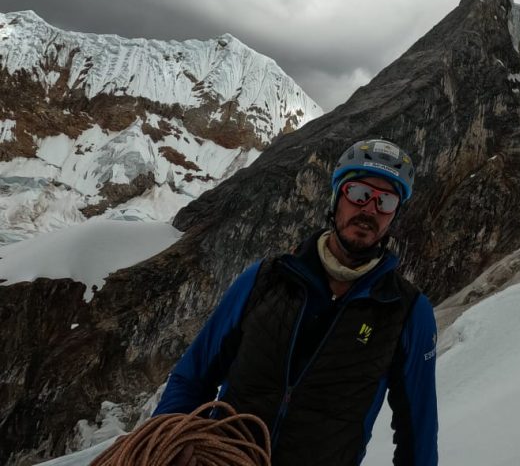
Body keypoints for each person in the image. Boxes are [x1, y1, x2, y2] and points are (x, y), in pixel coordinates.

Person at [154, 138, 438, 466]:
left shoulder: (407, 311)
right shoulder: (265, 279)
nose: (369, 209)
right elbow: (194, 377)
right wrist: (166, 442)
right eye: (358, 193)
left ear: (394, 215)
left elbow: (417, 431)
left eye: (385, 201)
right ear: (337, 198)